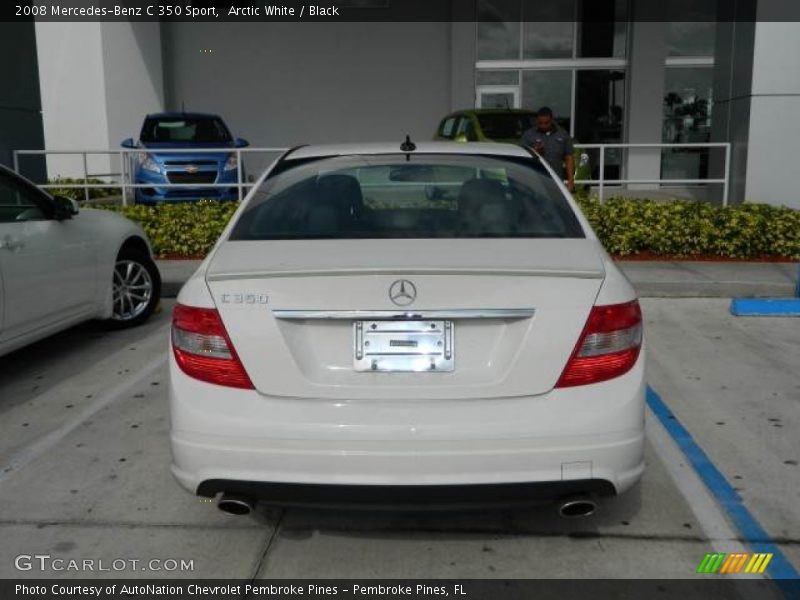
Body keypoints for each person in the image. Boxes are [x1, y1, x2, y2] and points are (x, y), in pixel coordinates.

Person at [521, 107, 575, 192]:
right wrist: (535, 152)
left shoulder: (562, 134)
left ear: (552, 120)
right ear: (536, 121)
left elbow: (569, 158)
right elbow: (522, 158)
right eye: (540, 123)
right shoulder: (528, 135)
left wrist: (571, 181)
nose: (543, 126)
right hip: (535, 182)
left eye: (546, 123)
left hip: (556, 181)